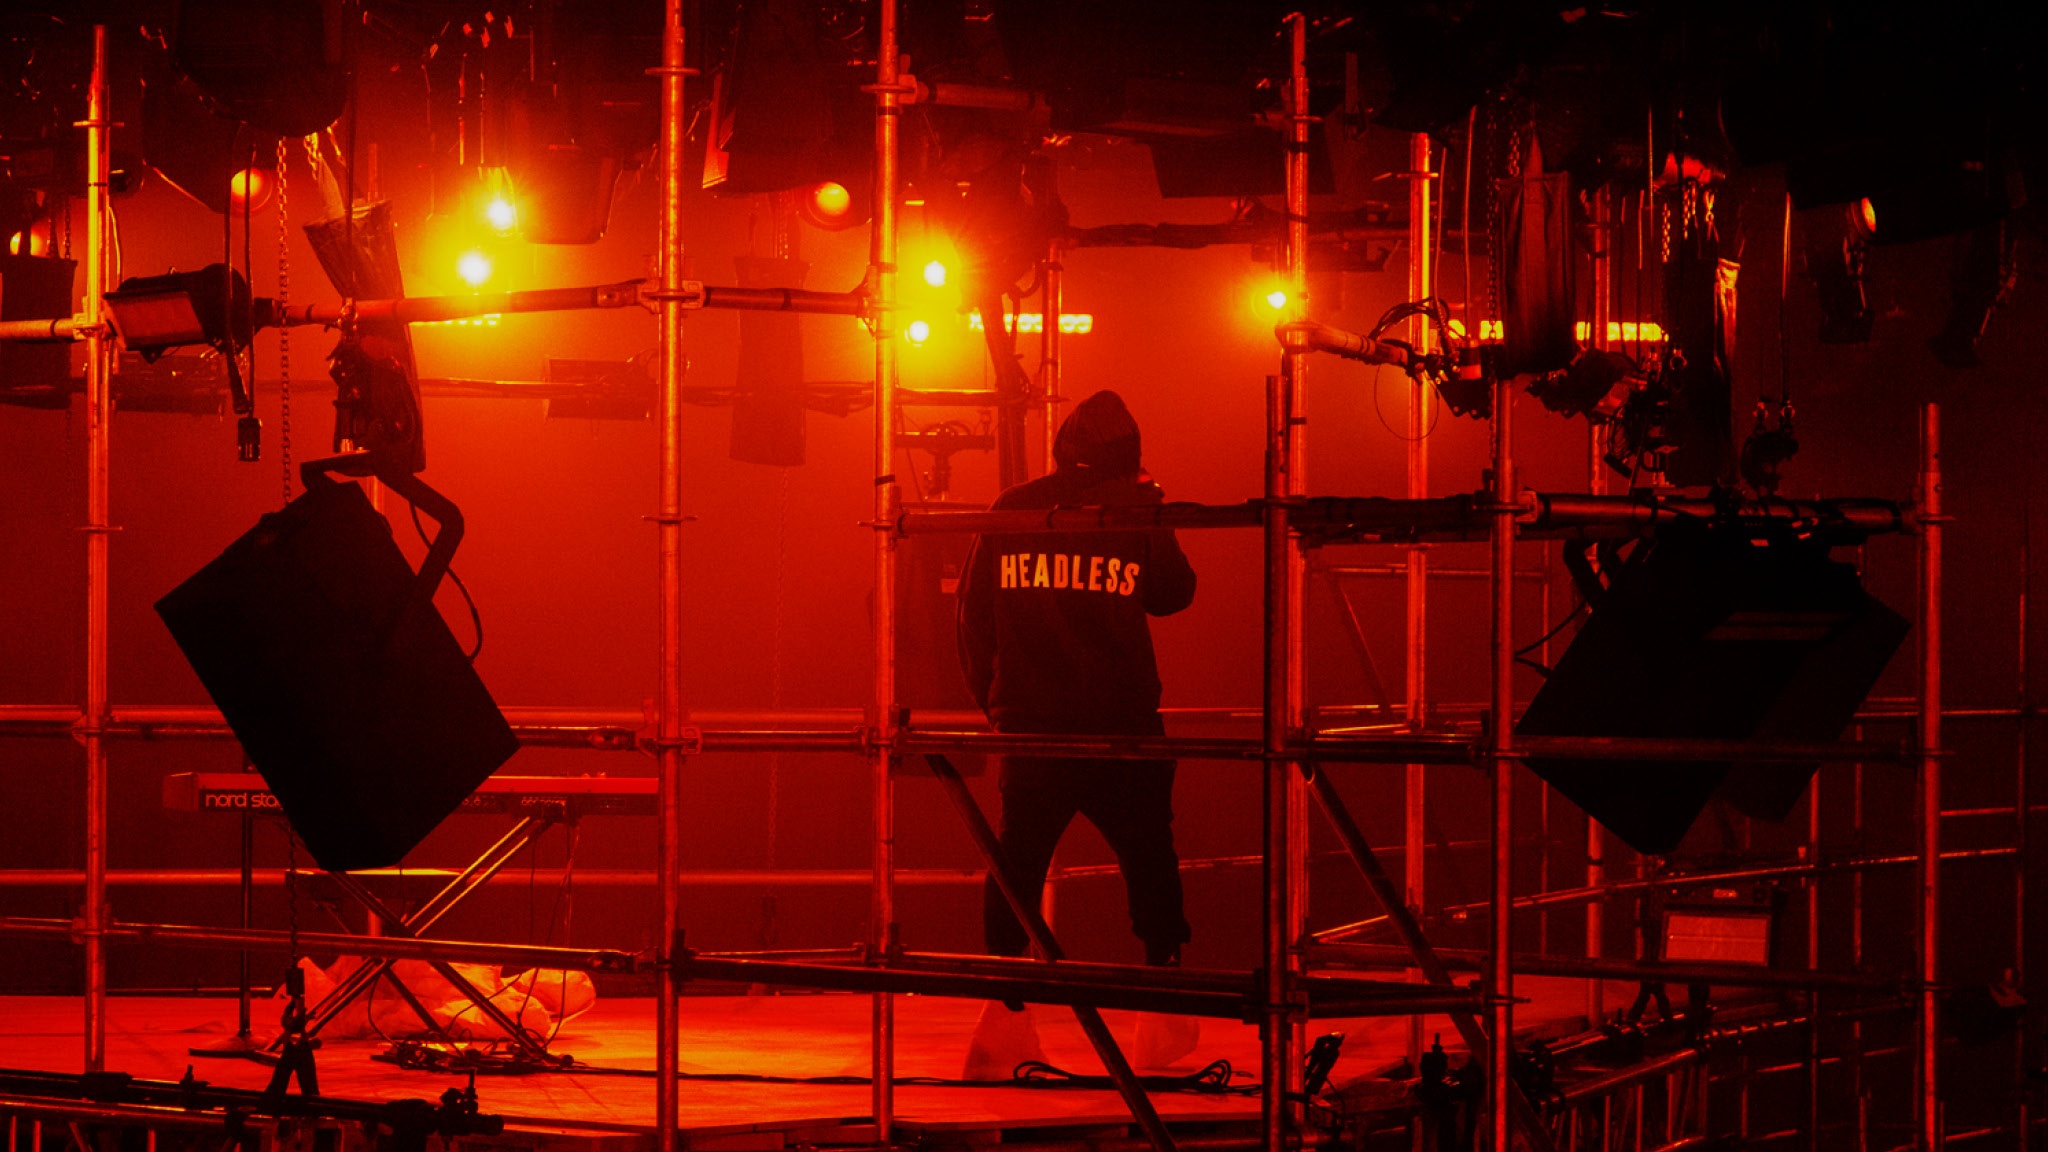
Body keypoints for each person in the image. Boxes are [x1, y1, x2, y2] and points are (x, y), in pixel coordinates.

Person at [955, 389, 1199, 1076]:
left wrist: (997, 705)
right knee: (1151, 859)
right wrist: (1153, 505)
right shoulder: (1133, 506)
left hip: (1034, 723)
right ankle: (1163, 1018)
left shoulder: (1014, 507)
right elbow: (1175, 593)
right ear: (1130, 453)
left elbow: (973, 616)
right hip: (1121, 723)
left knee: (1018, 865)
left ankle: (1002, 1021)